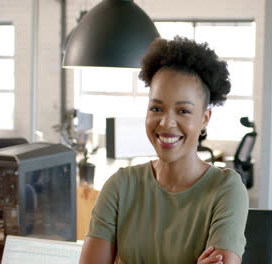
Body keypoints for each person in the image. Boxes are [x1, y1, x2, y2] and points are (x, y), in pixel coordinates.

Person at [79, 37, 249, 264]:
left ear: (204, 119)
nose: (166, 123)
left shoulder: (225, 189)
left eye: (183, 111)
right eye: (156, 108)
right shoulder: (120, 187)